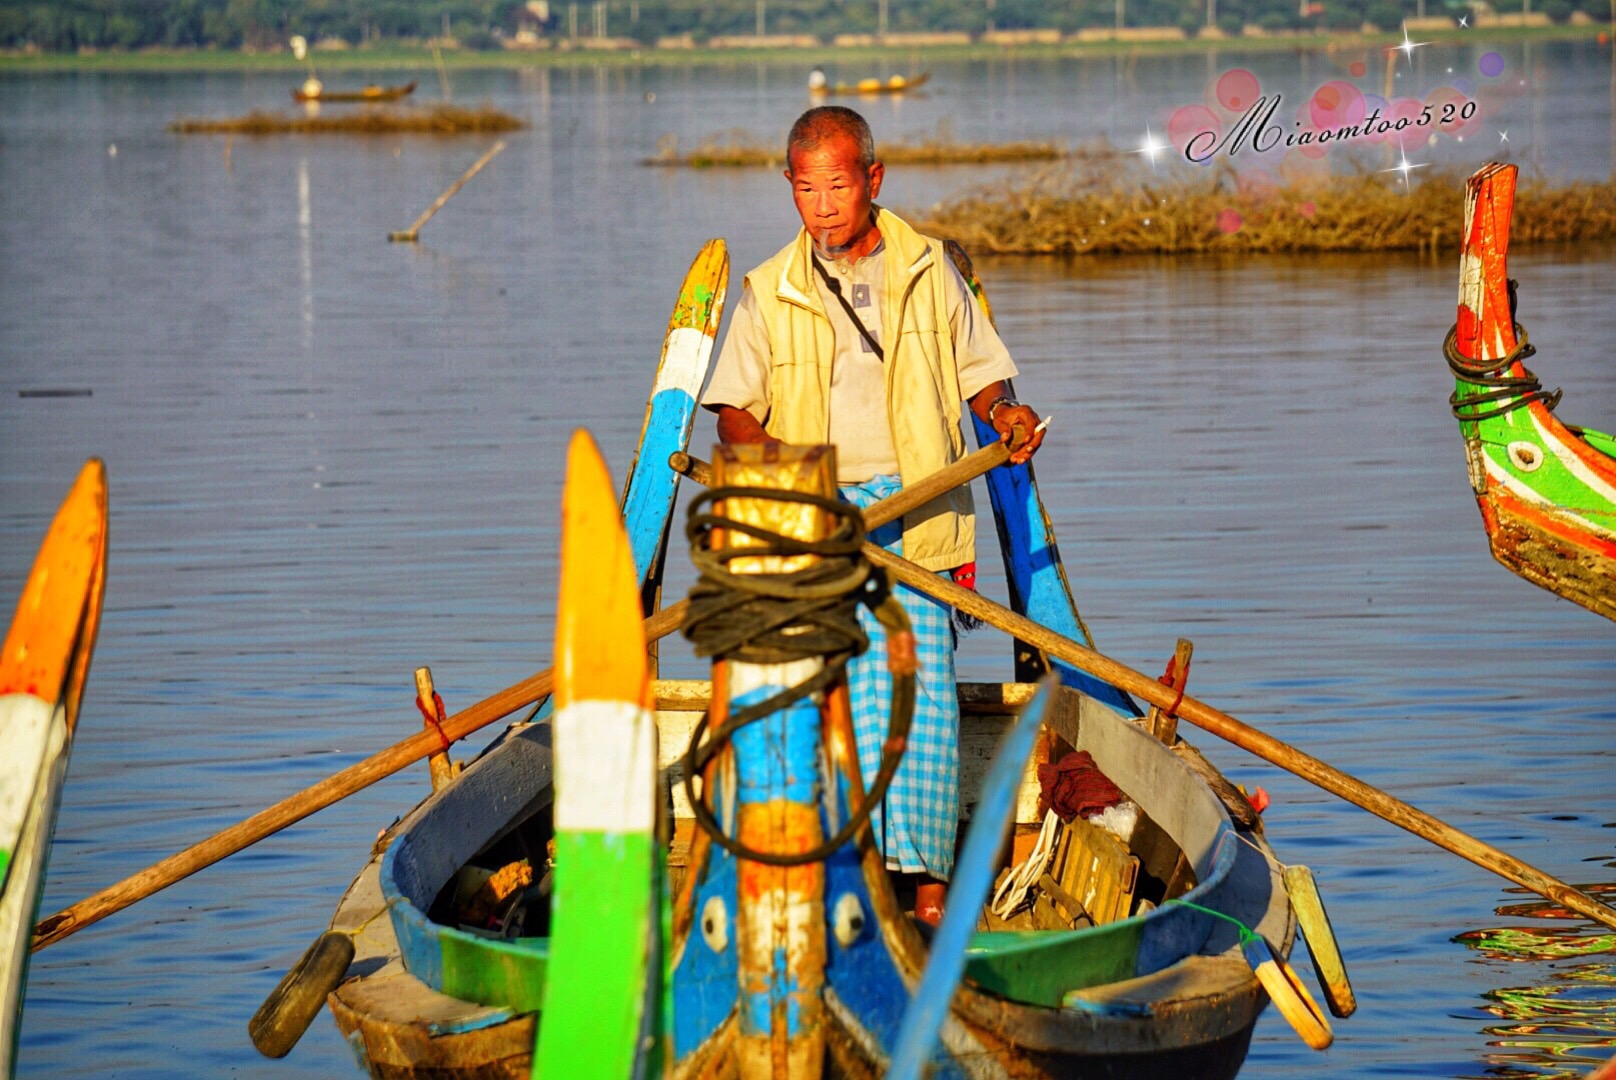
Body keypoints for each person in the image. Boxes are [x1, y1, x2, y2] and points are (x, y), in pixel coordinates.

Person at [701, 105, 1044, 925]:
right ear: (790, 188)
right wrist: (793, 474)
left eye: (838, 187)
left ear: (874, 181)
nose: (822, 206)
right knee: (815, 692)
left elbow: (983, 375)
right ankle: (831, 887)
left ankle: (925, 899)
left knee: (918, 696)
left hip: (916, 509)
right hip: (815, 520)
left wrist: (1003, 415)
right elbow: (733, 415)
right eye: (806, 189)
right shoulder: (768, 289)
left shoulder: (930, 269)